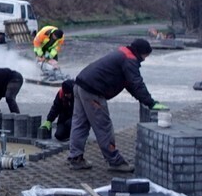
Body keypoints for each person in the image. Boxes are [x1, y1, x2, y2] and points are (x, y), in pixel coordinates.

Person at [67, 38, 167, 172]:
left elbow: (130, 84)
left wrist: (145, 100)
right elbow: (136, 83)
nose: (145, 59)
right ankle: (115, 162)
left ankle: (75, 158)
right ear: (141, 52)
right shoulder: (129, 59)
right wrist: (151, 103)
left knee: (80, 123)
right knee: (103, 126)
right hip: (93, 91)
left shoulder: (123, 53)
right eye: (145, 56)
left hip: (80, 85)